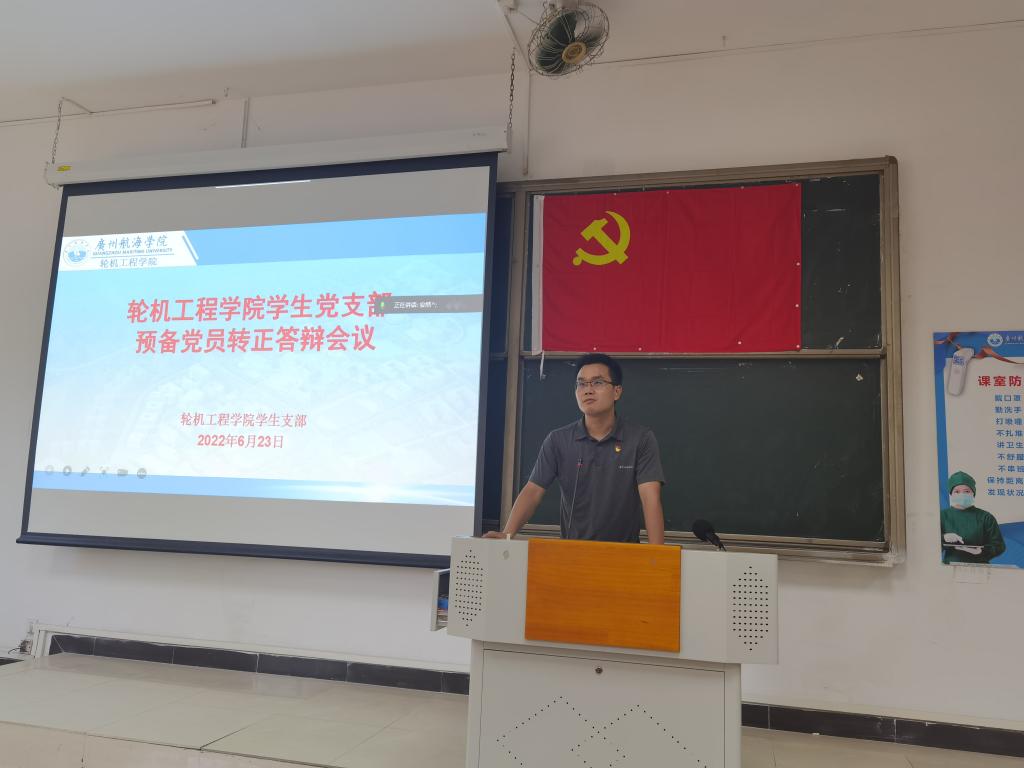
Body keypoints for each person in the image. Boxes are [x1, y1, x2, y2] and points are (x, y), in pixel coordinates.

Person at [485, 353, 665, 544]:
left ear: (617, 391)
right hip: (571, 552)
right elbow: (533, 491)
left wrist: (657, 555)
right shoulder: (558, 440)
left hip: (624, 552)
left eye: (597, 382)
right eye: (581, 384)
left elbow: (650, 498)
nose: (588, 390)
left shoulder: (640, 439)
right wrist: (507, 534)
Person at [940, 470, 1006, 564]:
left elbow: (999, 546)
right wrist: (944, 538)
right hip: (950, 567)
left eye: (966, 491)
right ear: (951, 494)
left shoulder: (986, 517)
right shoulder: (942, 516)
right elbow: (928, 544)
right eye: (957, 491)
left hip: (980, 567)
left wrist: (980, 551)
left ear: (973, 493)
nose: (962, 494)